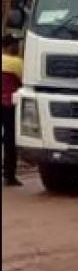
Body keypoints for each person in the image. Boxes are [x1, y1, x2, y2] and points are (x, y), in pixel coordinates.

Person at [2, 35, 22, 187]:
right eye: (15, 44)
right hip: (9, 105)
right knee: (10, 140)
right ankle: (10, 176)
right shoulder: (16, 63)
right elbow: (24, 81)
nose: (17, 47)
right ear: (9, 46)